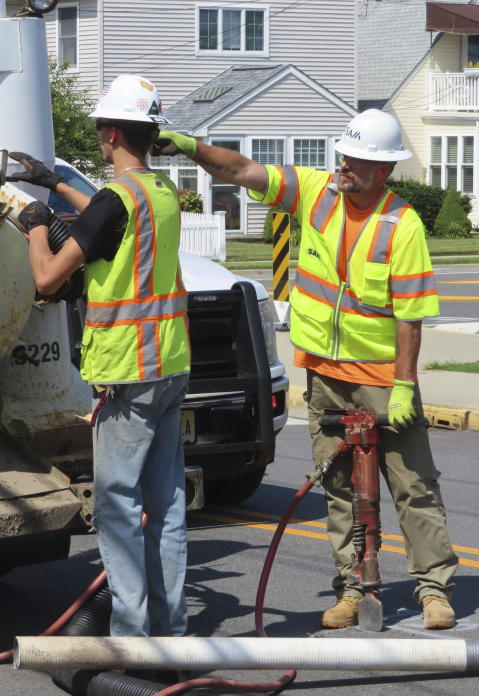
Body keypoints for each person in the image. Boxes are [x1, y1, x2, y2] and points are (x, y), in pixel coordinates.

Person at [151, 109, 458, 630]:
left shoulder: (401, 224)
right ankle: (353, 590)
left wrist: (406, 383)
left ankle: (434, 590)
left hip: (383, 379)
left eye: (356, 160)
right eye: (343, 154)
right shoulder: (315, 191)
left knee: (413, 486)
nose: (344, 164)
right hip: (325, 374)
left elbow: (412, 313)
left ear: (382, 170)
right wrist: (191, 147)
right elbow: (243, 170)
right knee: (339, 487)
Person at [7, 74, 191, 638]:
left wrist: (35, 226)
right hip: (170, 366)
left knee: (115, 509)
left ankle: (130, 641)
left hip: (127, 373)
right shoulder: (158, 193)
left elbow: (45, 280)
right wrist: (54, 184)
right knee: (167, 511)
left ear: (110, 134)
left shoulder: (118, 200)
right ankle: (170, 631)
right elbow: (109, 223)